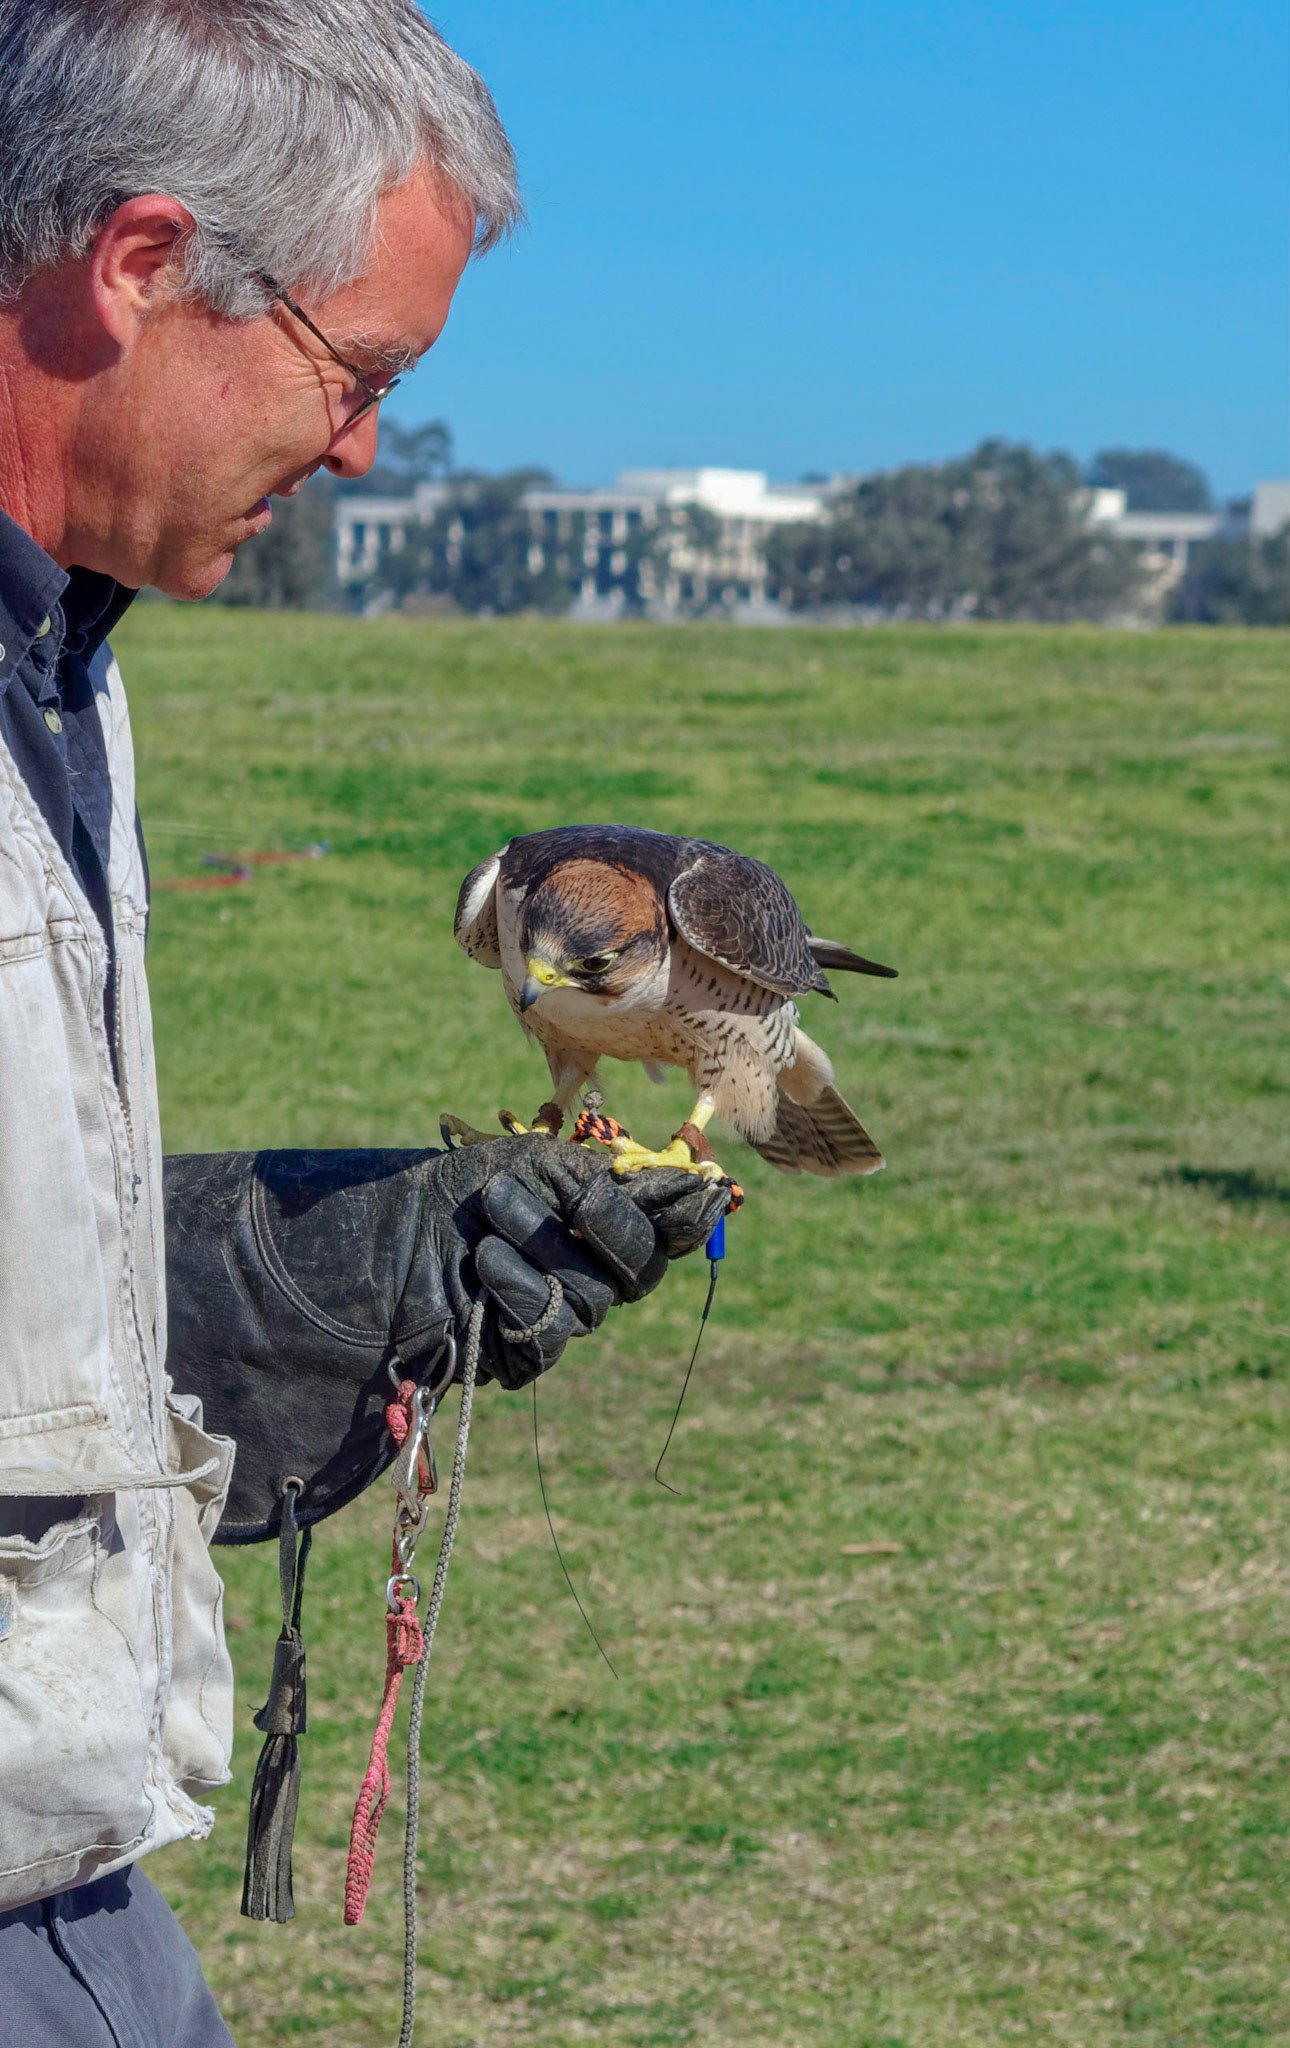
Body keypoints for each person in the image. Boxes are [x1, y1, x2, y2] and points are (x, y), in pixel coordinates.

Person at [0, 5, 726, 2041]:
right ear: (140, 263)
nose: (363, 452)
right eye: (356, 370)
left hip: (71, 1879)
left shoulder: (56, 654)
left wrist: (314, 1282)